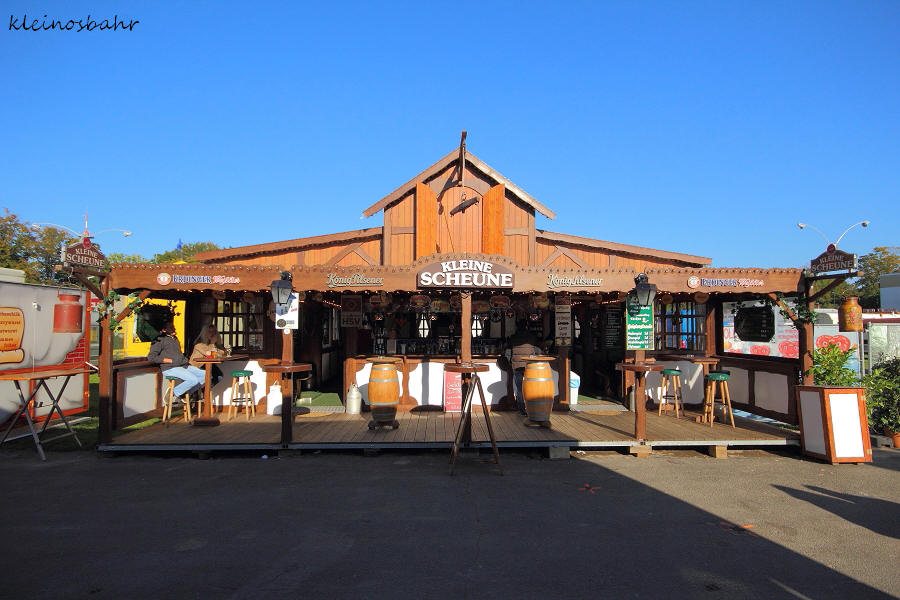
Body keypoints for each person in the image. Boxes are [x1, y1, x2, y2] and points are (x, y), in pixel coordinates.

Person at [148, 322, 205, 398]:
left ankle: (185, 393)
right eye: (171, 328)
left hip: (182, 365)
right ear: (164, 330)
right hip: (170, 368)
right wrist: (168, 360)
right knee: (193, 379)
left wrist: (184, 360)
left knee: (206, 375)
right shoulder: (159, 340)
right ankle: (173, 393)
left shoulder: (175, 338)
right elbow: (151, 357)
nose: (174, 329)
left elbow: (177, 353)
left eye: (173, 327)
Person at [506, 319, 541, 415]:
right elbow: (538, 350)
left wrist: (510, 361)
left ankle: (521, 409)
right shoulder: (532, 337)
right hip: (529, 366)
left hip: (517, 366)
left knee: (520, 388)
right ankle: (531, 407)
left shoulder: (513, 337)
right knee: (530, 387)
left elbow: (508, 351)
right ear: (526, 326)